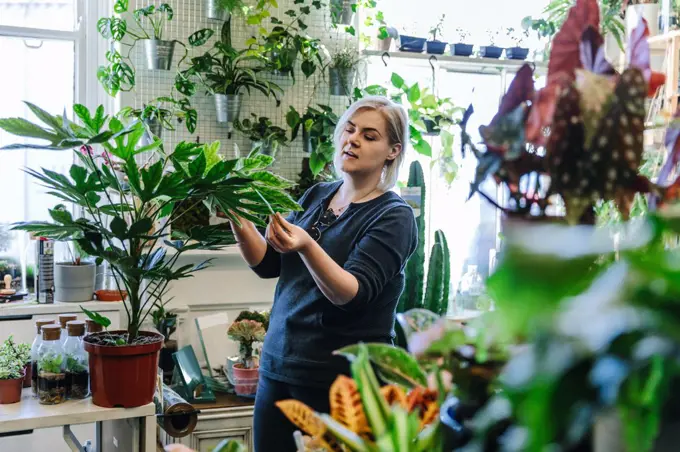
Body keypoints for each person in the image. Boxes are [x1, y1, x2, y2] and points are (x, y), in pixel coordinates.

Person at [230, 96, 418, 451]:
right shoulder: (318, 193)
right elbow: (269, 264)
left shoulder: (394, 215)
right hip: (279, 365)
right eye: (349, 130)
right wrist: (234, 214)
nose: (353, 140)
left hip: (339, 382)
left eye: (369, 135)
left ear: (393, 151)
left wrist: (306, 245)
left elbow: (352, 293)